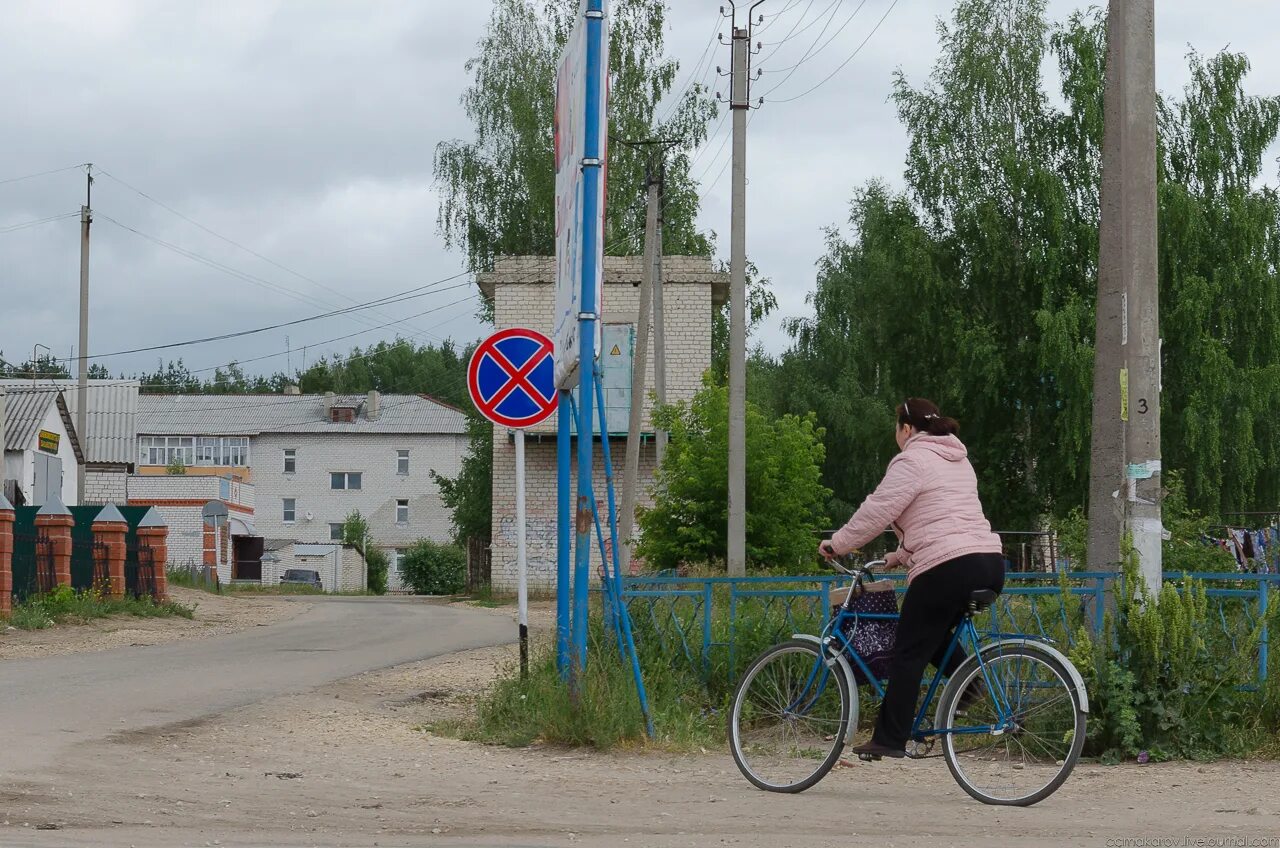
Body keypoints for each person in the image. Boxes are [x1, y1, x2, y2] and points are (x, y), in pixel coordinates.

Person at [818, 397, 1005, 759]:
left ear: (906, 429)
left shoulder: (911, 460)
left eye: (896, 429)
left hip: (948, 567)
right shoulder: (959, 461)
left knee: (907, 651)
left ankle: (889, 739)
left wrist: (838, 544)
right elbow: (944, 518)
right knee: (930, 635)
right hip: (990, 562)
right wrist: (900, 556)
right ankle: (969, 685)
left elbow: (877, 511)